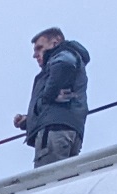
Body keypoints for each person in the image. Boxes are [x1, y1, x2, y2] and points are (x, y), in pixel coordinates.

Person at [14, 27, 90, 166]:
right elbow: (55, 104)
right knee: (65, 176)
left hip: (54, 131)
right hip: (70, 129)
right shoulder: (71, 59)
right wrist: (29, 120)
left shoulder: (63, 55)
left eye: (39, 48)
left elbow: (65, 64)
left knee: (48, 176)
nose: (35, 55)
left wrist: (45, 98)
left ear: (55, 43)